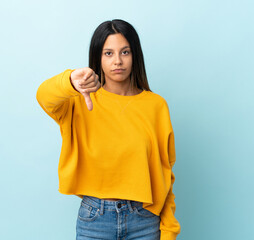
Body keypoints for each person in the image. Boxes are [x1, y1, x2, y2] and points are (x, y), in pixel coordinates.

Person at [36, 19, 181, 240]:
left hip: (144, 220)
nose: (118, 61)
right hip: (95, 219)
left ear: (135, 56)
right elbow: (43, 96)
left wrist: (169, 231)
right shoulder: (79, 102)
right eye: (108, 54)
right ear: (98, 58)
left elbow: (165, 175)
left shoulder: (156, 106)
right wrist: (71, 81)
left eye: (125, 52)